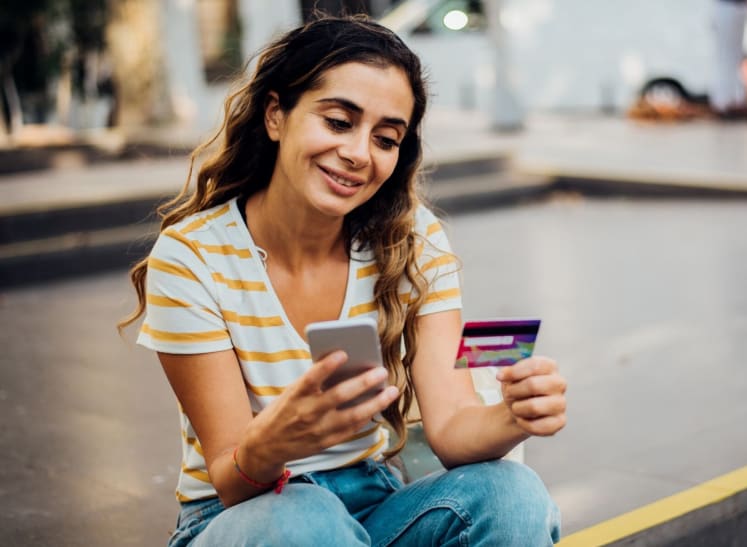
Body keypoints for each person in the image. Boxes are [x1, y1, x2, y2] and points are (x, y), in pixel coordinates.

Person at [118, 15, 565, 547]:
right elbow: (229, 477)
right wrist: (272, 441)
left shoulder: (413, 238)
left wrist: (512, 417)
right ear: (275, 114)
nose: (359, 154)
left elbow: (452, 427)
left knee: (513, 494)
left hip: (372, 501)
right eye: (337, 122)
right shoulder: (192, 257)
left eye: (385, 138)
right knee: (302, 519)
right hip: (244, 513)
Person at [711, 0, 747, 119]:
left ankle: (735, 99)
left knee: (735, 56)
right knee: (726, 56)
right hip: (727, 6)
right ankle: (723, 101)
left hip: (738, 7)